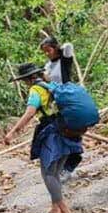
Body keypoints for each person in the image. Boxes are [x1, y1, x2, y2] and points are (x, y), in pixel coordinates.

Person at [4, 63, 82, 213]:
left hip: (50, 133)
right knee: (56, 172)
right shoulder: (52, 86)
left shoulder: (36, 90)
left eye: (25, 81)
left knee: (48, 173)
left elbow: (30, 112)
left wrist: (13, 132)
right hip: (65, 129)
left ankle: (65, 209)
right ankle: (55, 208)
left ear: (28, 79)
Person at [40, 36, 82, 183]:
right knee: (62, 133)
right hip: (58, 102)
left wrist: (60, 48)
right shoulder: (48, 66)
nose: (47, 53)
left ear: (55, 48)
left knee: (72, 133)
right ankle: (64, 165)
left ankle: (70, 165)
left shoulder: (64, 60)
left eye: (49, 50)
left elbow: (69, 46)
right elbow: (49, 83)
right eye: (44, 51)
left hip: (69, 99)